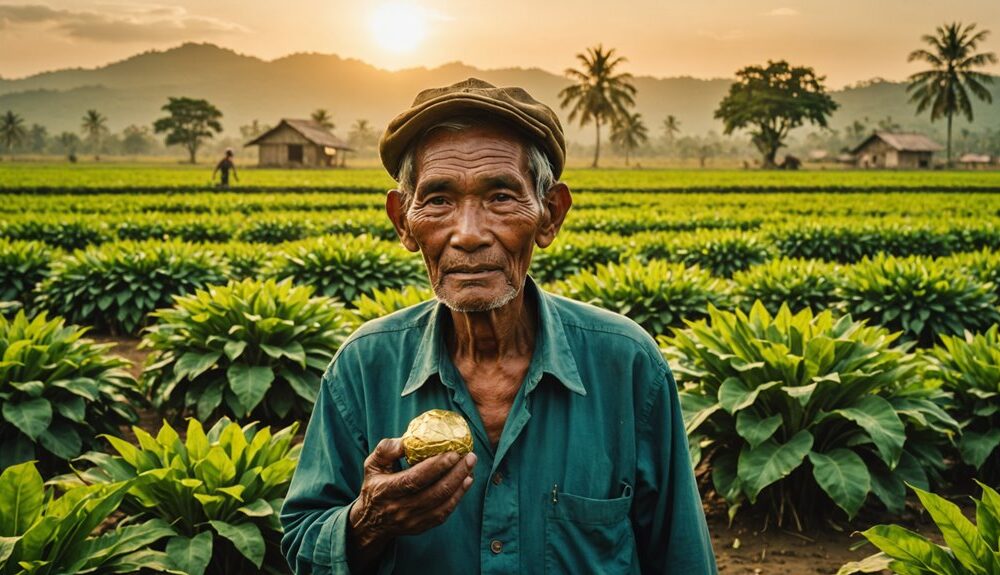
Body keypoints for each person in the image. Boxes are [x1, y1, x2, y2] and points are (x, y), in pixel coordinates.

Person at [280, 78, 718, 574]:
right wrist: (368, 521)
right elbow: (301, 539)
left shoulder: (627, 363)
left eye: (501, 197)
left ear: (549, 215)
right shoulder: (363, 367)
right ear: (403, 221)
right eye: (439, 200)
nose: (468, 234)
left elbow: (681, 556)